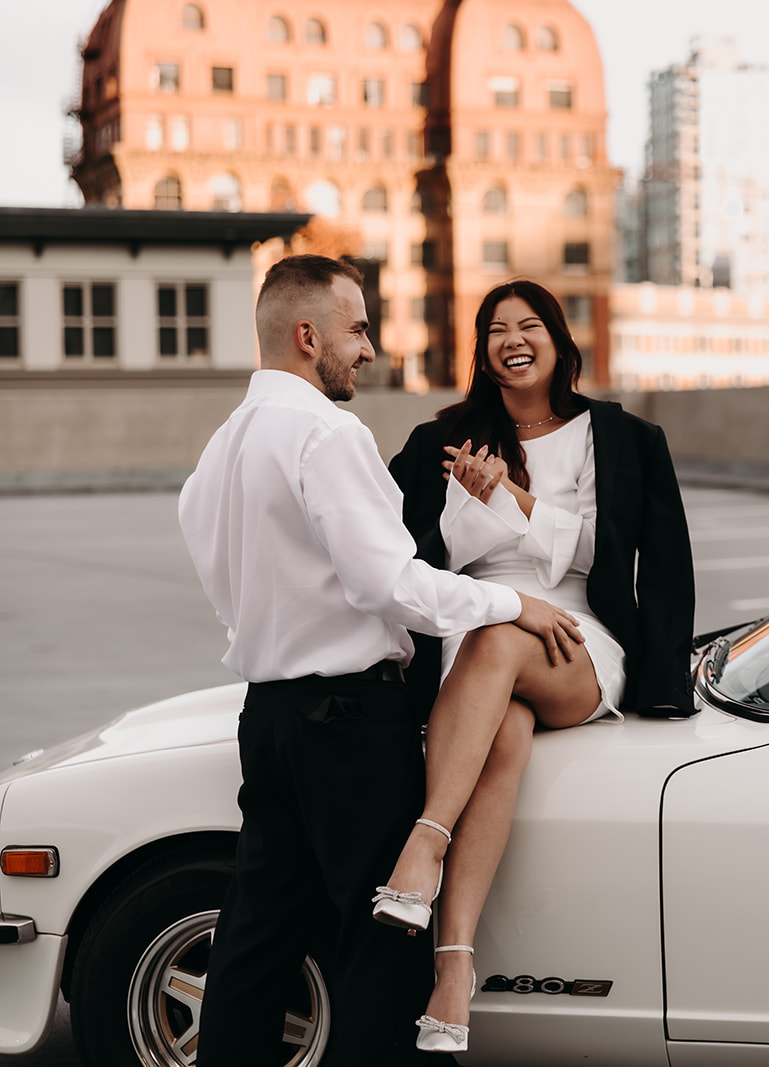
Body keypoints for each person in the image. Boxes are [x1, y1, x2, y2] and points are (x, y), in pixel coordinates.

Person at [178, 255, 581, 1065]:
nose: (368, 348)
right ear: (306, 335)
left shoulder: (219, 451)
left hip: (270, 717)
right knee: (379, 948)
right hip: (350, 724)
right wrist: (517, 604)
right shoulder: (327, 433)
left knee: (255, 939)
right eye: (357, 328)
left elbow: (227, 585)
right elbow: (390, 584)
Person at [383, 278, 695, 1051]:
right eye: (494, 328)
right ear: (482, 350)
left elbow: (634, 559)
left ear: (558, 340)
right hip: (474, 625)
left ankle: (425, 845)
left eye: (528, 325)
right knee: (506, 728)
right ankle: (453, 972)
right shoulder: (442, 440)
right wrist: (467, 494)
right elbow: (412, 558)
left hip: (578, 634)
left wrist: (518, 500)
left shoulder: (621, 437)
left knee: (504, 635)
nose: (511, 338)